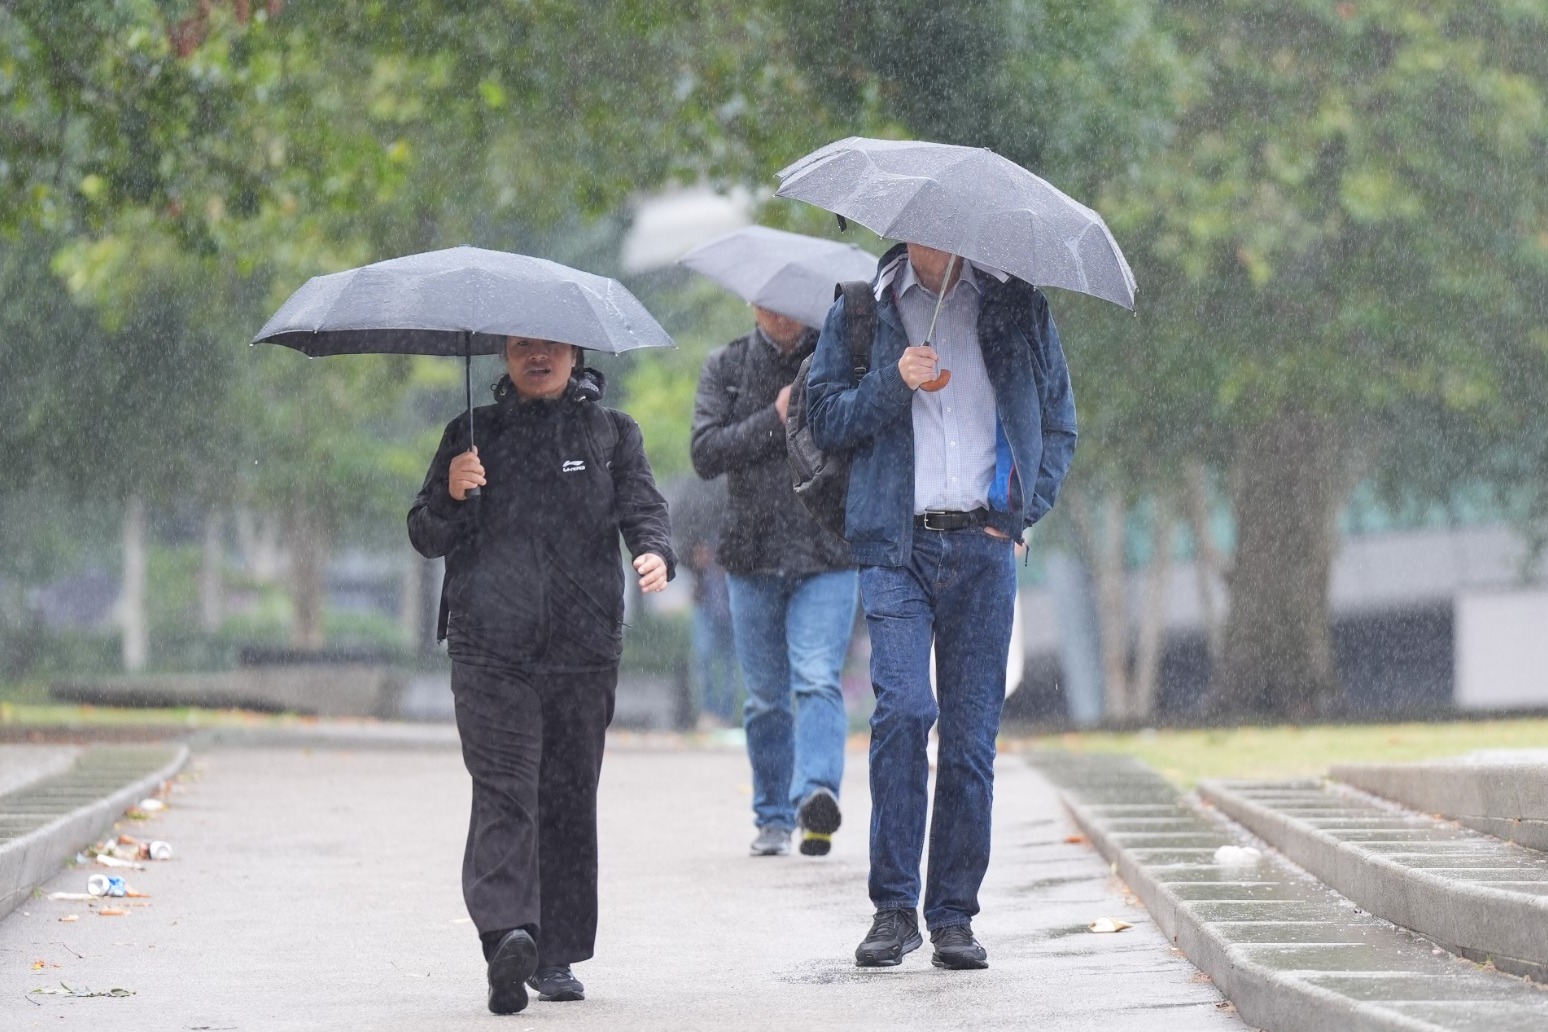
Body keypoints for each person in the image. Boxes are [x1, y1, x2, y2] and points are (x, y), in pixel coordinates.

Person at [806, 242, 1076, 970]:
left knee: (968, 740)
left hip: (985, 549)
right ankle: (893, 909)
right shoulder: (863, 309)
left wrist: (1022, 510)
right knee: (902, 712)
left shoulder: (1016, 306)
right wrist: (892, 383)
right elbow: (823, 418)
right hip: (896, 545)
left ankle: (953, 914)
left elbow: (1059, 422)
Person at [408, 336, 675, 1014]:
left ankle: (553, 955)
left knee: (567, 795)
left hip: (583, 650)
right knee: (505, 793)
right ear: (503, 355)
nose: (537, 357)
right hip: (488, 648)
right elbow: (424, 532)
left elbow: (644, 508)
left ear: (576, 354)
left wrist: (655, 553)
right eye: (523, 346)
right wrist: (451, 490)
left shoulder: (613, 433)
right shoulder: (471, 434)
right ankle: (506, 940)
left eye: (550, 346)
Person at [691, 304, 858, 858]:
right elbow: (706, 452)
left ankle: (817, 794)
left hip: (827, 550)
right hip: (751, 554)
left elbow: (859, 435)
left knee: (816, 678)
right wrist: (775, 417)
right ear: (751, 303)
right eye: (769, 300)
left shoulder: (836, 358)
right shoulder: (728, 365)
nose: (780, 312)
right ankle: (772, 816)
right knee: (764, 697)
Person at [670, 475, 741, 727]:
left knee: (731, 660)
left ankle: (725, 714)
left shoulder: (736, 521)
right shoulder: (697, 531)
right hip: (706, 600)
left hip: (734, 601)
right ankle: (709, 713)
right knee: (705, 655)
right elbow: (683, 552)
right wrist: (693, 557)